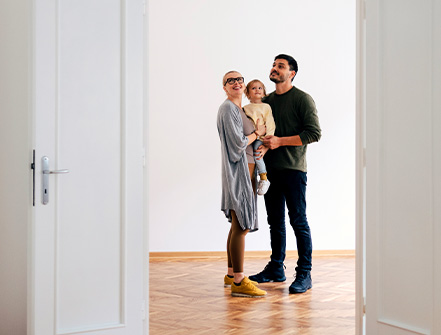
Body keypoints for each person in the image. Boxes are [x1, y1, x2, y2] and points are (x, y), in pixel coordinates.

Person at [249, 54, 321, 294]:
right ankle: (276, 269)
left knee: (298, 221)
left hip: (293, 170)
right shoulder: (266, 101)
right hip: (269, 172)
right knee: (275, 223)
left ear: (292, 73)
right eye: (273, 65)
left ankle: (304, 274)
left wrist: (280, 141)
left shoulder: (302, 99)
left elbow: (313, 133)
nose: (274, 69)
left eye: (281, 66)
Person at [217, 71, 267, 298]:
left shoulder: (240, 110)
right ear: (224, 87)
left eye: (239, 80)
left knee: (237, 225)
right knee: (242, 227)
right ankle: (239, 280)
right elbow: (237, 144)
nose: (236, 83)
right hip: (239, 173)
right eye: (231, 81)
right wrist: (258, 133)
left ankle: (230, 275)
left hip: (246, 172)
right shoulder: (227, 109)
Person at [243, 80, 276, 196]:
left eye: (260, 88)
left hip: (261, 138)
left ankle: (263, 178)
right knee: (249, 157)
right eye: (253, 88)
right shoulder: (245, 108)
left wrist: (267, 141)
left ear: (264, 93)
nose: (257, 90)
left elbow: (270, 124)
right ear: (247, 93)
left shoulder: (266, 107)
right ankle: (255, 176)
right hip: (251, 137)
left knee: (257, 154)